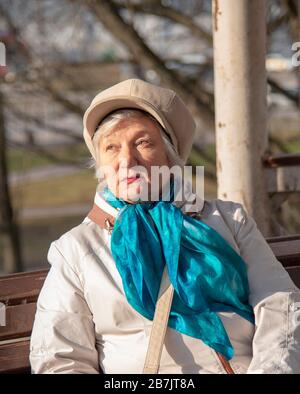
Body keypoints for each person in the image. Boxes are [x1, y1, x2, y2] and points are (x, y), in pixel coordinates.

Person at [29, 78, 300, 374]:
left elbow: (280, 306)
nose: (126, 160)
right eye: (111, 148)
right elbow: (59, 359)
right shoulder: (76, 249)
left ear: (171, 157)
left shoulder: (229, 221)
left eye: (142, 143)